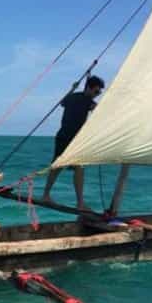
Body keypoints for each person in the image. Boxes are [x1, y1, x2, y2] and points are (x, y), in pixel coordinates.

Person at [42, 75, 105, 211]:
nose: (97, 94)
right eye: (96, 91)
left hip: (65, 137)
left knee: (70, 167)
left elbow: (63, 102)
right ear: (88, 88)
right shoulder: (87, 101)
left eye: (99, 93)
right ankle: (77, 202)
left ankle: (50, 196)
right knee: (62, 167)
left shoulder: (75, 97)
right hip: (68, 137)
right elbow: (100, 109)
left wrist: (72, 89)